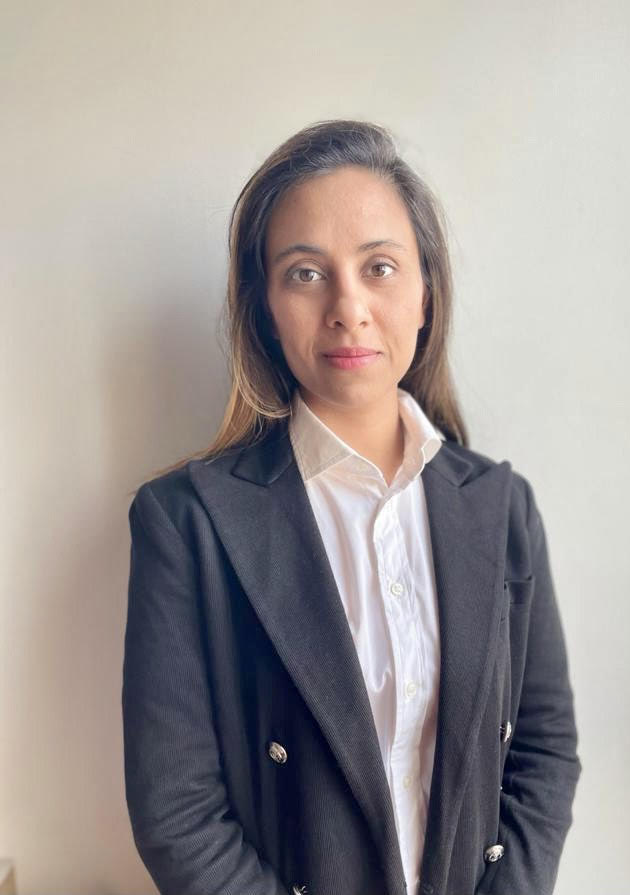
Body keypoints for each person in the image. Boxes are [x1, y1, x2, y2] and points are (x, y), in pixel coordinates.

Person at [122, 118, 581, 895]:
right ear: (265, 307)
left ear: (426, 293)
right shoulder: (187, 523)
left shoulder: (502, 507)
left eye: (379, 267)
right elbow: (178, 812)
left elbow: (545, 751)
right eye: (305, 273)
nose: (349, 306)